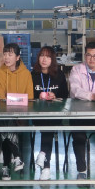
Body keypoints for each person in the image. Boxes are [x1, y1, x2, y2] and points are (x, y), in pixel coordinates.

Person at [68, 41, 95, 179]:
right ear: (85, 56)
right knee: (78, 136)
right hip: (79, 114)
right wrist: (92, 96)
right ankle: (81, 170)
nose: (92, 59)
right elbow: (75, 90)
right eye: (89, 55)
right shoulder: (76, 70)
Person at [0, 43, 33, 181]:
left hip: (21, 114)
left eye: (10, 54)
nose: (6, 57)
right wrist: (16, 100)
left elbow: (30, 97)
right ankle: (16, 157)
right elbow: (1, 98)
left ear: (17, 57)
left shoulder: (26, 74)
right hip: (5, 113)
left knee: (6, 127)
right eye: (5, 54)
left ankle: (6, 167)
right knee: (6, 122)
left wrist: (15, 104)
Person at [31, 46, 69, 181]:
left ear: (52, 59)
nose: (44, 59)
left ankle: (45, 163)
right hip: (37, 114)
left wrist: (55, 96)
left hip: (55, 114)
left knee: (49, 125)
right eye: (42, 56)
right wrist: (38, 97)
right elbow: (28, 96)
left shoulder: (59, 75)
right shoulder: (33, 75)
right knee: (47, 127)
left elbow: (65, 96)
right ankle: (45, 164)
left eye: (48, 57)